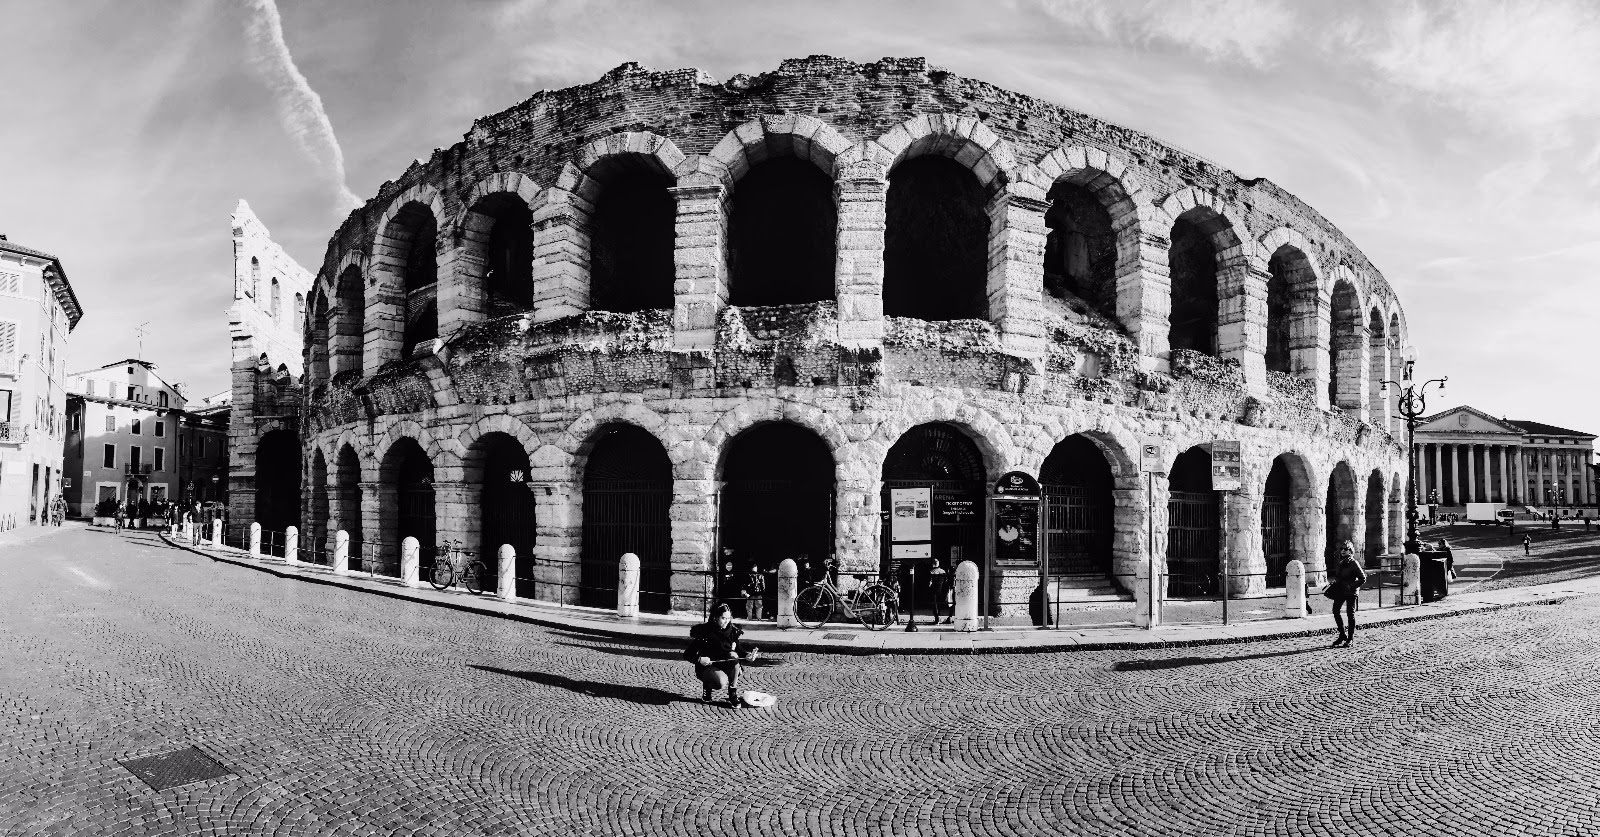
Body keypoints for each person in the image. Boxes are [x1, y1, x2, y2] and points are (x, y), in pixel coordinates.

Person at [684, 603, 758, 706]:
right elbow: (687, 654)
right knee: (721, 683)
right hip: (707, 666)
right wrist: (700, 659)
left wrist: (747, 655)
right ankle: (707, 685)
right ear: (715, 617)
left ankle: (733, 694)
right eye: (723, 618)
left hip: (724, 664)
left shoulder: (732, 631)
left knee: (734, 657)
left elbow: (738, 650)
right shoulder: (705, 632)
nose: (726, 621)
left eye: (728, 618)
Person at [1326, 540, 1367, 648]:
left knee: (1350, 614)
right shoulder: (1340, 562)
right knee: (1335, 611)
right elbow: (1339, 576)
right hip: (1340, 590)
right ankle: (1342, 634)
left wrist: (1351, 586)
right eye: (1341, 549)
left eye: (1346, 549)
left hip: (1350, 592)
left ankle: (1350, 638)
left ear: (1350, 551)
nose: (1343, 551)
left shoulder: (1353, 563)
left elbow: (1363, 578)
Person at [928, 556, 951, 625]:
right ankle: (938, 616)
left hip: (933, 590)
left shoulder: (931, 572)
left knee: (934, 604)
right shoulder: (943, 571)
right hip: (941, 590)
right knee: (940, 603)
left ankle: (936, 618)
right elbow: (945, 582)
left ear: (933, 564)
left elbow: (930, 583)